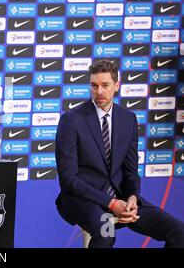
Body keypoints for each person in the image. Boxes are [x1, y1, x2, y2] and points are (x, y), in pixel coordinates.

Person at [55, 59, 184, 248]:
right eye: (94, 85)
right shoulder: (71, 120)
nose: (99, 91)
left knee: (178, 231)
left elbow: (130, 170)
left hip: (122, 199)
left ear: (116, 85)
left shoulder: (128, 119)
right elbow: (69, 180)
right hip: (83, 198)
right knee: (107, 234)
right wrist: (111, 203)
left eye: (105, 85)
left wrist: (132, 197)